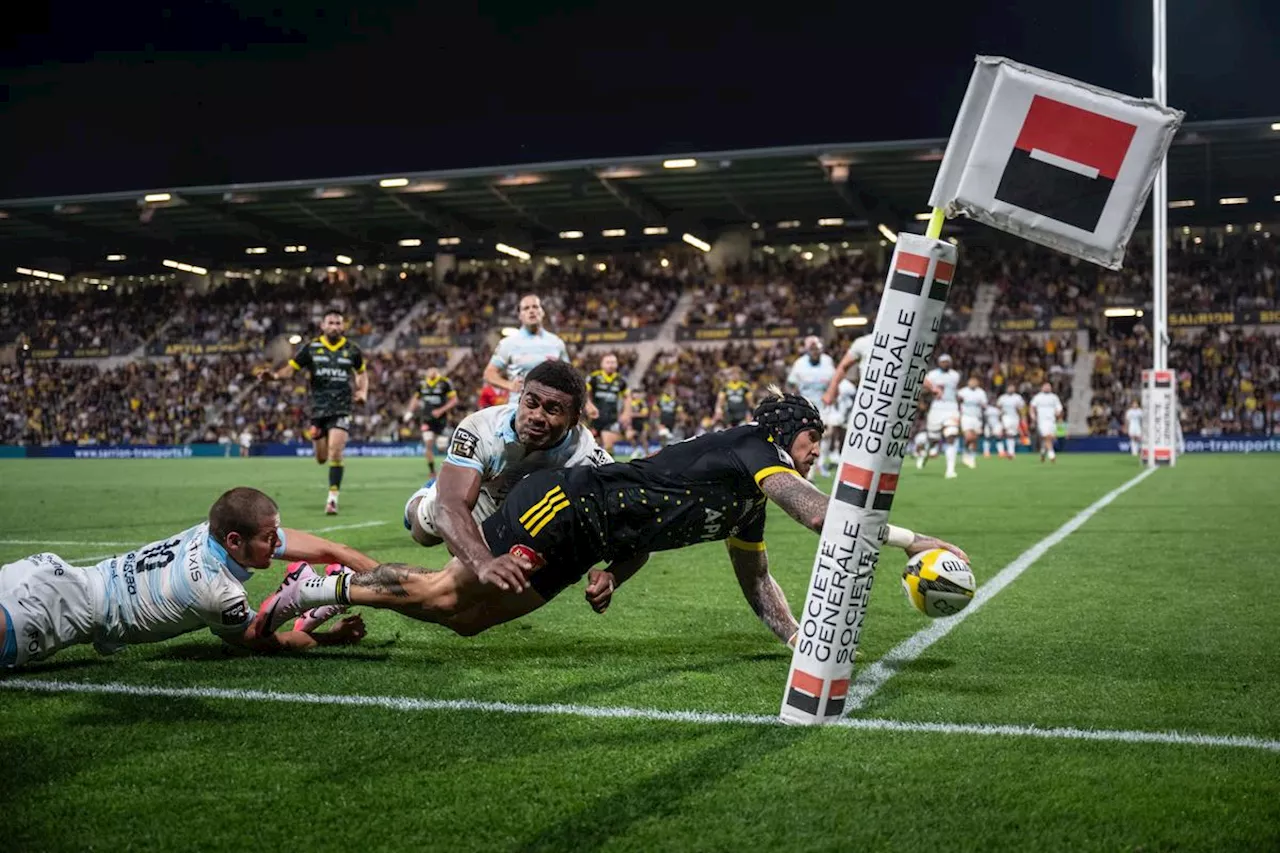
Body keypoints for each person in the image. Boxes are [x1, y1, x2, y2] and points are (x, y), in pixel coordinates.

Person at [259, 391, 967, 648]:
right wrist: (918, 539)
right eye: (815, 440)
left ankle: (331, 584)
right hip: (569, 504)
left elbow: (757, 580)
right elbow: (820, 517)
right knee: (450, 593)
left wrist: (796, 640)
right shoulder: (758, 452)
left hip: (592, 537)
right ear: (791, 434)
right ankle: (321, 586)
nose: (820, 452)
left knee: (467, 620)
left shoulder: (750, 497)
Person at [0, 487, 376, 669]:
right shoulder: (217, 591)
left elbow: (295, 543)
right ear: (234, 540)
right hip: (62, 609)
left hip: (49, 572)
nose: (278, 545)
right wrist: (331, 637)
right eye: (269, 538)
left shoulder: (209, 530)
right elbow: (262, 642)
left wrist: (344, 554)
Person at [258, 309, 368, 515]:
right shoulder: (311, 348)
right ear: (323, 326)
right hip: (318, 409)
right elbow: (291, 368)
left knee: (336, 451)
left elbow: (361, 373)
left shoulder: (352, 350)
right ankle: (319, 438)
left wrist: (362, 391)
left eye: (338, 323)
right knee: (321, 458)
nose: (334, 326)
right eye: (331, 323)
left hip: (342, 407)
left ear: (343, 326)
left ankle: (332, 499)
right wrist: (273, 376)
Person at [482, 294, 569, 394]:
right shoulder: (508, 343)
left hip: (550, 407)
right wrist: (509, 385)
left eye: (535, 307)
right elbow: (488, 374)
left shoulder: (556, 342)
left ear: (542, 312)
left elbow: (569, 377)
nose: (531, 311)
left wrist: (587, 404)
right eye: (526, 308)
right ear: (520, 316)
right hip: (518, 406)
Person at [786, 337, 835, 477]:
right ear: (807, 350)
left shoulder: (828, 362)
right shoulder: (799, 364)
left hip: (824, 406)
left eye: (817, 349)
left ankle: (822, 464)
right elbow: (791, 384)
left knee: (826, 436)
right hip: (806, 407)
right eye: (812, 349)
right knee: (809, 437)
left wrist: (833, 397)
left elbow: (834, 382)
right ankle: (809, 468)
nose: (815, 352)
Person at [404, 365, 459, 474]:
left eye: (433, 369)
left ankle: (450, 469)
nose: (430, 372)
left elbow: (454, 400)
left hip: (441, 421)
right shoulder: (422, 384)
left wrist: (441, 410)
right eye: (429, 370)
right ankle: (432, 471)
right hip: (426, 419)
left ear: (437, 371)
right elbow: (415, 399)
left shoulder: (445, 383)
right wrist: (409, 411)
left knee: (442, 447)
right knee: (428, 443)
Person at [921, 353, 962, 478]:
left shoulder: (955, 375)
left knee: (951, 435)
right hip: (936, 408)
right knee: (933, 439)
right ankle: (926, 453)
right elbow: (922, 383)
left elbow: (956, 390)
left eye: (947, 361)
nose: (945, 364)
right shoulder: (932, 375)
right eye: (943, 362)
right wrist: (929, 391)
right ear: (939, 363)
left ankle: (950, 470)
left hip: (951, 408)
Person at [585, 353, 631, 455]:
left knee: (608, 444)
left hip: (611, 417)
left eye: (613, 362)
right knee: (593, 446)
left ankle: (609, 467)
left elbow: (627, 397)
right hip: (594, 417)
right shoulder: (594, 378)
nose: (611, 365)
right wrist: (589, 405)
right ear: (602, 364)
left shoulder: (621, 380)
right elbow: (584, 393)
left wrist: (626, 413)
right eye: (608, 362)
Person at [956, 376, 989, 470]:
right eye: (971, 382)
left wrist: (982, 404)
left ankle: (971, 458)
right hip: (966, 417)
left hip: (977, 418)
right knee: (968, 437)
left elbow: (985, 405)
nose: (973, 383)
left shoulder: (981, 392)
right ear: (968, 382)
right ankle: (966, 452)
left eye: (975, 382)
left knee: (974, 439)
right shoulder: (963, 391)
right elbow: (957, 400)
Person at [1030, 381, 1065, 463]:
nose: (1047, 388)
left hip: (1052, 420)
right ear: (1042, 388)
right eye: (1045, 386)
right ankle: (1051, 455)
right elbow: (1032, 407)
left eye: (1048, 386)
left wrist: (1058, 413)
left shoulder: (1054, 397)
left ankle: (1043, 451)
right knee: (1047, 437)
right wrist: (1033, 417)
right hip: (1042, 420)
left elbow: (1059, 407)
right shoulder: (1038, 397)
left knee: (1050, 438)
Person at [996, 385, 1026, 460]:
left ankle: (1011, 453)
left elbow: (1022, 407)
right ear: (1007, 389)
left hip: (1015, 417)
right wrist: (1000, 414)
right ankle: (1002, 452)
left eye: (1012, 387)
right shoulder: (1002, 397)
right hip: (1005, 417)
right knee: (1004, 433)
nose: (1011, 389)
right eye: (1009, 387)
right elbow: (998, 406)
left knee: (1011, 434)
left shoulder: (1018, 397)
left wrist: (1021, 414)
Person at [654, 380, 684, 447]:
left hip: (672, 421)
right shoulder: (660, 398)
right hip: (662, 421)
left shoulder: (676, 400)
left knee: (671, 439)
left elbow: (680, 412)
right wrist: (657, 421)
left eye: (671, 388)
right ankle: (663, 450)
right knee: (663, 435)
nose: (669, 390)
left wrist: (681, 421)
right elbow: (656, 410)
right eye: (667, 388)